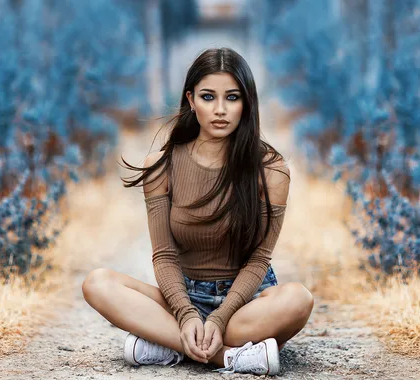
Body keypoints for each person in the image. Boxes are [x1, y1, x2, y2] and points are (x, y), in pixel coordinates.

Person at [82, 47, 314, 376]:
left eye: (232, 98)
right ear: (191, 100)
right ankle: (229, 357)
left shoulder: (271, 169)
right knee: (97, 283)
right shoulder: (160, 166)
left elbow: (259, 260)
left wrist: (220, 318)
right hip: (183, 298)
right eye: (208, 97)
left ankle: (170, 344)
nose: (220, 110)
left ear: (246, 103)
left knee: (299, 300)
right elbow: (163, 255)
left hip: (245, 305)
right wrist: (186, 313)